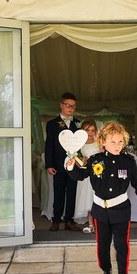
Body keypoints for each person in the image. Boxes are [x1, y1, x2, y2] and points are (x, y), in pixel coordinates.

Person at [66, 121, 137, 274]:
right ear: (103, 141)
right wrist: (70, 167)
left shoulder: (128, 161)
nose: (117, 145)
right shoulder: (95, 160)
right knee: (103, 245)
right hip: (100, 211)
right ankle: (106, 270)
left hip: (121, 209)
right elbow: (80, 175)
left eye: (120, 141)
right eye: (113, 142)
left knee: (122, 244)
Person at [45, 92, 81, 231]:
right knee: (58, 191)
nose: (71, 108)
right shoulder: (52, 124)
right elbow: (49, 145)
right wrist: (49, 164)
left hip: (74, 164)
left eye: (73, 106)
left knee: (72, 192)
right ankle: (56, 220)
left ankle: (69, 220)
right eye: (68, 105)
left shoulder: (77, 123)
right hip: (58, 164)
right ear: (61, 105)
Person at [75, 119, 100, 233]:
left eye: (92, 130)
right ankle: (90, 224)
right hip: (86, 176)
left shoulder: (99, 142)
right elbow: (78, 162)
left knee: (97, 198)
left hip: (98, 173)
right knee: (88, 200)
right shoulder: (79, 145)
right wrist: (82, 162)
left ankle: (100, 224)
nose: (90, 133)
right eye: (87, 130)